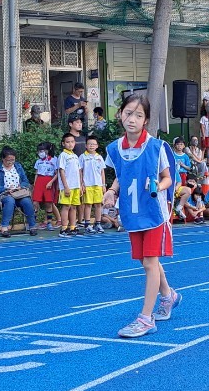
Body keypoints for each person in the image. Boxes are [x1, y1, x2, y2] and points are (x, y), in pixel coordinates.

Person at [102, 91, 180, 339]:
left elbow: (168, 178)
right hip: (132, 213)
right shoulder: (115, 148)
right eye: (128, 113)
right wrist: (111, 191)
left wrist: (159, 186)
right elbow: (121, 176)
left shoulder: (156, 147)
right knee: (146, 261)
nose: (132, 119)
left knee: (149, 262)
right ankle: (168, 296)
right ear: (120, 115)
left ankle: (146, 319)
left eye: (138, 115)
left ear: (146, 120)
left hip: (154, 212)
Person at [0, 147, 38, 238]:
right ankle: (4, 227)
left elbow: (25, 181)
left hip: (19, 193)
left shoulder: (18, 166)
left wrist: (20, 186)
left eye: (12, 160)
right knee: (10, 200)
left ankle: (32, 226)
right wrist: (5, 189)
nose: (10, 162)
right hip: (3, 195)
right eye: (8, 160)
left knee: (27, 201)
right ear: (3, 159)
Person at [56, 131, 83, 238]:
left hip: (76, 186)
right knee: (66, 206)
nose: (70, 144)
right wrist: (66, 186)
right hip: (67, 187)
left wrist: (80, 185)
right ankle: (63, 228)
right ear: (63, 144)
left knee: (74, 207)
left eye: (72, 142)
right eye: (68, 142)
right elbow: (61, 171)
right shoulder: (63, 155)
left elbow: (79, 171)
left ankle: (72, 227)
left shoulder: (75, 156)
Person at [80, 134, 107, 235]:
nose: (91, 146)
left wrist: (103, 185)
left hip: (98, 185)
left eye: (93, 144)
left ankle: (98, 223)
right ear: (86, 145)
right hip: (87, 184)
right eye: (89, 144)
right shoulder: (82, 157)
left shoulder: (99, 157)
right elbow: (80, 171)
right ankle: (87, 224)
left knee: (98, 204)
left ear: (97, 146)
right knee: (88, 204)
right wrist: (82, 184)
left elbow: (102, 172)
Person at [33, 142, 59, 232]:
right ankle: (33, 223)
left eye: (42, 151)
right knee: (35, 202)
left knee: (48, 203)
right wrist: (35, 183)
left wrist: (51, 182)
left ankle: (49, 223)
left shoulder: (54, 160)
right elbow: (36, 173)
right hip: (39, 181)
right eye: (39, 151)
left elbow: (57, 173)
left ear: (47, 150)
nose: (40, 153)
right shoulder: (38, 161)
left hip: (48, 181)